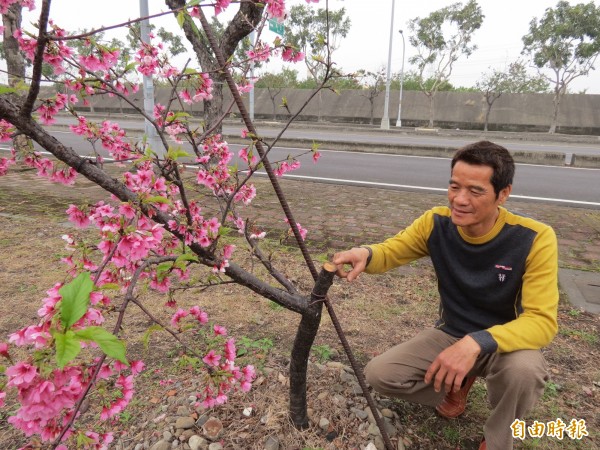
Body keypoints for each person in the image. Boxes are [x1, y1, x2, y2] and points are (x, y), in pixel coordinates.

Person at [332, 141, 558, 450]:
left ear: (503, 193)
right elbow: (393, 250)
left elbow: (542, 323)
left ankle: (497, 439)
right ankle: (456, 382)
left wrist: (477, 342)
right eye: (454, 186)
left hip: (506, 344)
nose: (460, 200)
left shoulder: (534, 238)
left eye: (475, 191)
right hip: (452, 332)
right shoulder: (436, 223)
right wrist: (365, 254)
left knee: (525, 372)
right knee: (381, 374)